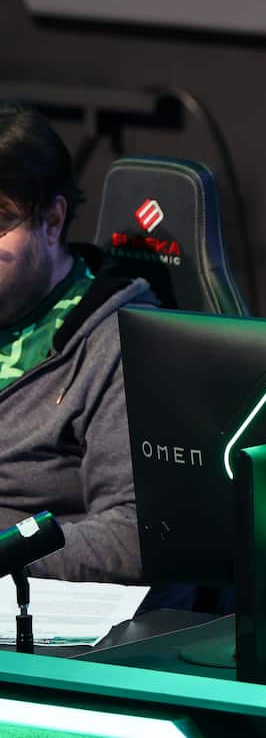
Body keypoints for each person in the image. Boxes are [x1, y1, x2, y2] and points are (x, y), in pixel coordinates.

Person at [0, 102, 155, 582]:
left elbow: (133, 534)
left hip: (36, 609)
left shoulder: (118, 343)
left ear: (52, 221)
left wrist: (6, 557)